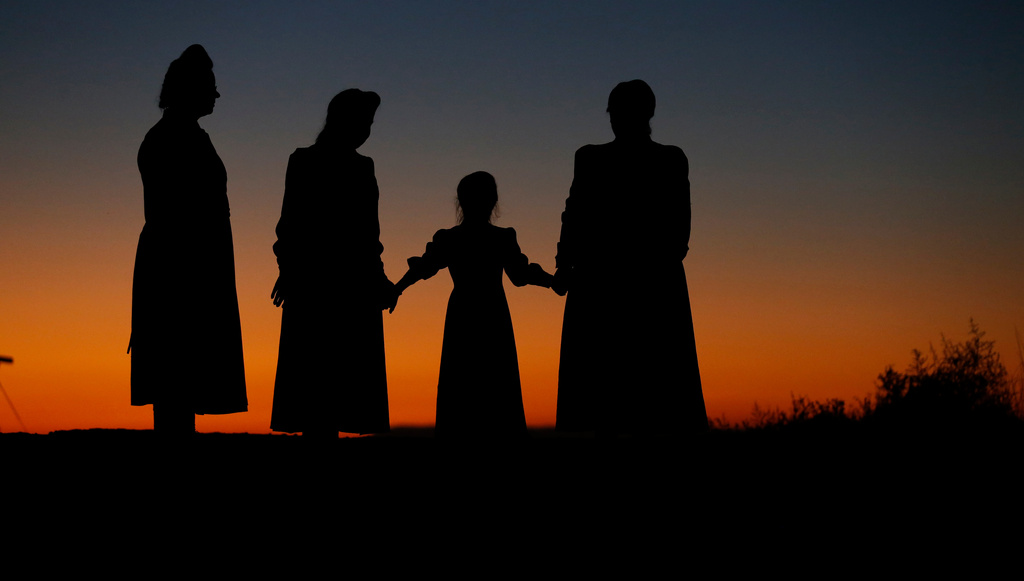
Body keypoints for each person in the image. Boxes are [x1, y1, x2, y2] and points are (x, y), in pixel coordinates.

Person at [552, 80, 707, 435]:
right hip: (619, 285)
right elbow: (573, 216)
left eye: (622, 111)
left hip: (632, 287)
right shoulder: (590, 157)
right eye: (614, 112)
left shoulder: (669, 159)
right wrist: (564, 264)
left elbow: (678, 232)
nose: (617, 119)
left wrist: (571, 264)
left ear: (646, 113)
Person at [129, 44, 247, 434]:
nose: (216, 93)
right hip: (179, 277)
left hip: (196, 273)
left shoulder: (189, 136)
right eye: (210, 85)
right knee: (174, 384)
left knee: (183, 385)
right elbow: (170, 219)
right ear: (189, 88)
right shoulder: (167, 139)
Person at [269, 89, 394, 438]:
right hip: (316, 287)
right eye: (363, 122)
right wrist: (288, 270)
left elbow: (369, 235)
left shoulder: (363, 167)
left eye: (370, 123)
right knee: (317, 389)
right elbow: (291, 225)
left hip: (351, 287)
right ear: (342, 121)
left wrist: (379, 277)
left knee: (338, 389)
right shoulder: (304, 161)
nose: (367, 130)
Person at [392, 172, 554, 436]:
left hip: (462, 316)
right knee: (497, 385)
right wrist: (553, 282)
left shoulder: (450, 238)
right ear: (493, 202)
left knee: (460, 385)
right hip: (493, 316)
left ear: (461, 202)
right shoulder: (501, 238)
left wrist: (397, 289)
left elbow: (424, 267)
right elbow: (520, 274)